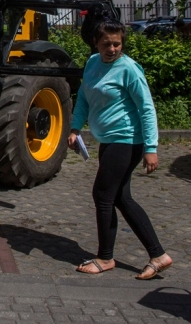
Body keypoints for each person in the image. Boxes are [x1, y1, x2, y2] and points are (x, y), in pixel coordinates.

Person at [68, 17, 173, 280]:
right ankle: (158, 255)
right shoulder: (92, 64)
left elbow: (146, 109)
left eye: (117, 44)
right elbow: (83, 97)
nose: (112, 49)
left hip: (127, 140)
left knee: (103, 196)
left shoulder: (129, 69)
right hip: (108, 140)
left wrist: (151, 147)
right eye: (106, 44)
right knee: (120, 198)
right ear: (96, 43)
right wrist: (74, 127)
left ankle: (105, 258)